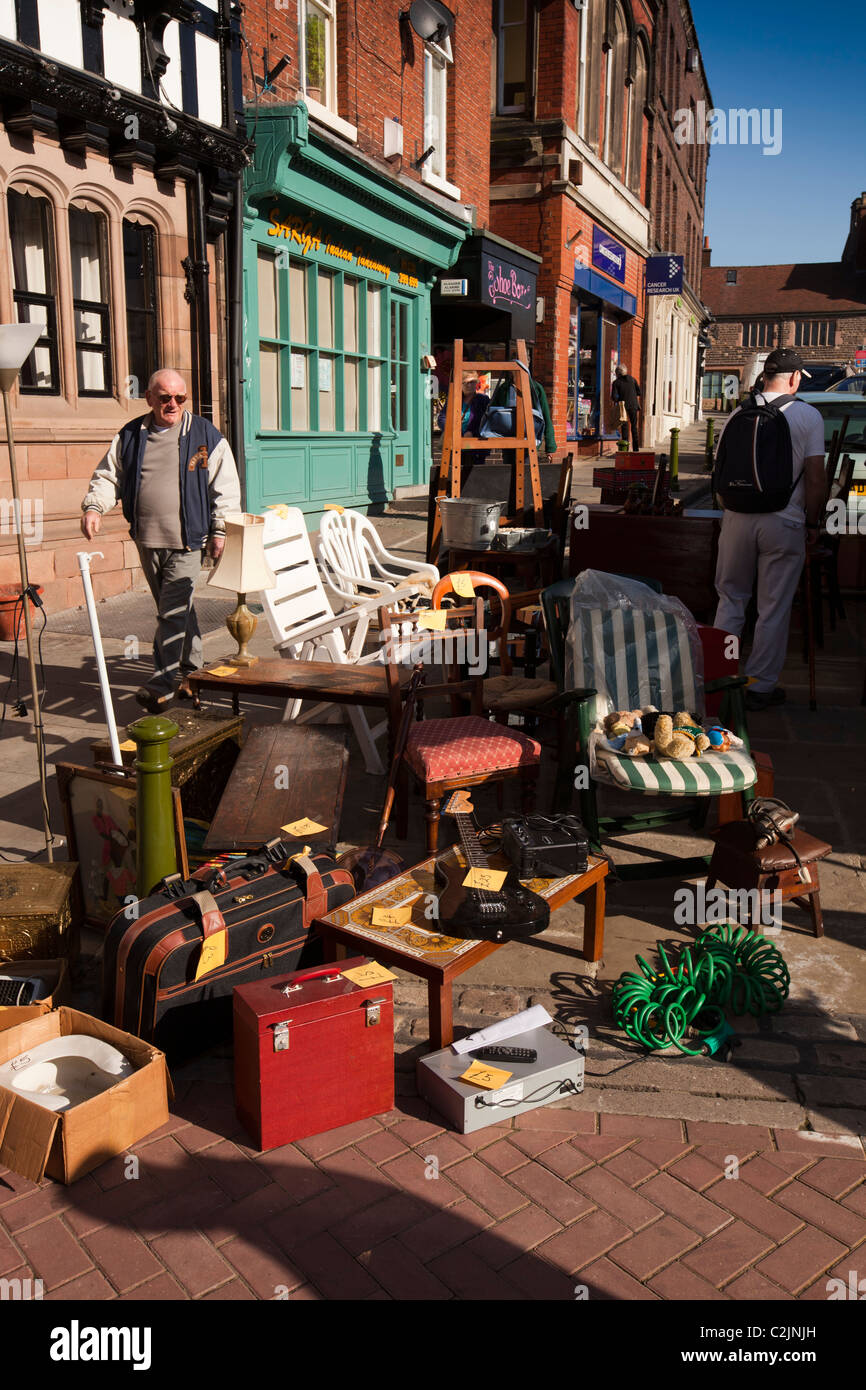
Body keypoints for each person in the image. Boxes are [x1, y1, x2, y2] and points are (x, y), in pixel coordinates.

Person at [81, 369, 241, 713]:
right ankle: (192, 671)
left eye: (179, 398)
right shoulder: (130, 435)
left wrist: (220, 530)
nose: (173, 404)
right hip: (147, 540)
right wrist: (95, 507)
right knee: (177, 609)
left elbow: (225, 488)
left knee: (171, 612)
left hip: (188, 541)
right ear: (150, 398)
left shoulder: (205, 435)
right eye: (165, 397)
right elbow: (109, 475)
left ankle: (162, 682)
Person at [713, 348, 826, 712]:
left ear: (764, 377)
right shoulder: (809, 416)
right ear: (794, 378)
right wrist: (813, 523)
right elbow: (815, 477)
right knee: (772, 607)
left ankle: (720, 676)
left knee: (731, 599)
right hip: (784, 520)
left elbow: (719, 475)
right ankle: (760, 686)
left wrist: (732, 511)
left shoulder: (735, 415)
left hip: (736, 519)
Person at [611, 363, 642, 449]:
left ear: (617, 373)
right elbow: (639, 392)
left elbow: (614, 397)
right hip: (634, 405)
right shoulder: (632, 379)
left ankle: (625, 448)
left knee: (624, 427)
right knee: (634, 427)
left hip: (623, 406)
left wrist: (619, 399)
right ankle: (636, 448)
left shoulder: (616, 383)